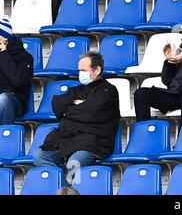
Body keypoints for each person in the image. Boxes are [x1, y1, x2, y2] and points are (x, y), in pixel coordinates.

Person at [33, 52, 120, 183]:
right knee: (40, 156)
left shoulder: (108, 91)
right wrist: (76, 104)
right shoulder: (78, 90)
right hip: (68, 139)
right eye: (79, 70)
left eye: (84, 70)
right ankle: (62, 188)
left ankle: (69, 189)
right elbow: (57, 104)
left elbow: (91, 112)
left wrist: (70, 109)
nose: (80, 74)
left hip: (93, 142)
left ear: (97, 70)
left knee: (73, 165)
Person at [0, 17, 34, 125]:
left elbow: (18, 81)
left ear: (4, 40)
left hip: (15, 99)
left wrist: (3, 54)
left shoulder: (25, 57)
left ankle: (4, 138)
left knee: (3, 99)